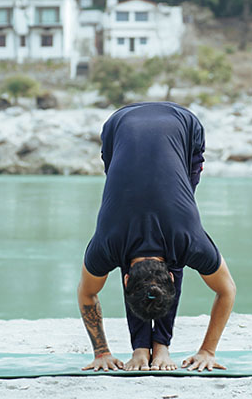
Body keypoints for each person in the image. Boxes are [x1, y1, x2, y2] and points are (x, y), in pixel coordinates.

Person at [77, 101, 236, 372]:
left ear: (124, 278)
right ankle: (145, 348)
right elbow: (226, 289)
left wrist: (101, 352)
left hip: (156, 122)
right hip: (123, 124)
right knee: (171, 255)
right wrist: (206, 351)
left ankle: (157, 347)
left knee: (170, 254)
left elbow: (87, 293)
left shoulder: (186, 238)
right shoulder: (183, 241)